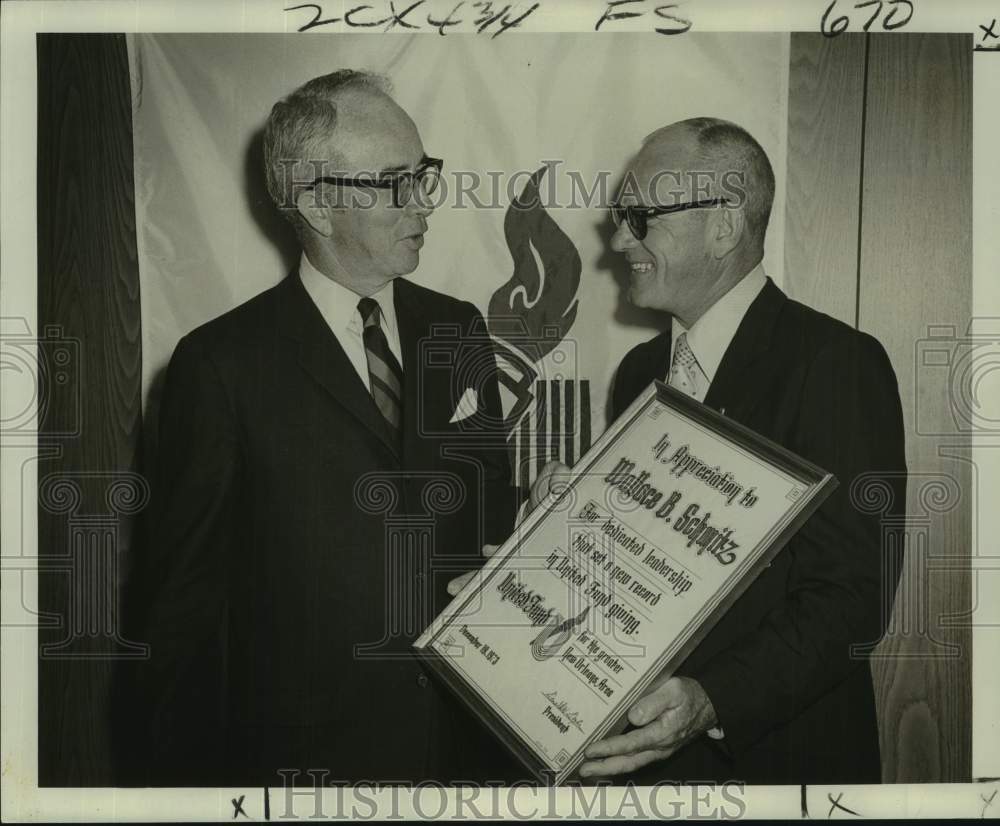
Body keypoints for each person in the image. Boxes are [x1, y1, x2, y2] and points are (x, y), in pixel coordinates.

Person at [138, 70, 518, 785]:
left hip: (468, 748)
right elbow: (182, 616)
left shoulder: (458, 328)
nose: (424, 204)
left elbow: (486, 511)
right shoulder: (219, 365)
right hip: (306, 765)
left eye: (424, 175)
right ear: (315, 203)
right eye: (395, 182)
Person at [530, 117, 907, 784]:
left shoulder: (834, 363)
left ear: (724, 226)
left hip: (775, 765)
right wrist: (559, 534)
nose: (620, 240)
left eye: (640, 217)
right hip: (645, 772)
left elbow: (852, 598)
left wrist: (711, 700)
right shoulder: (640, 372)